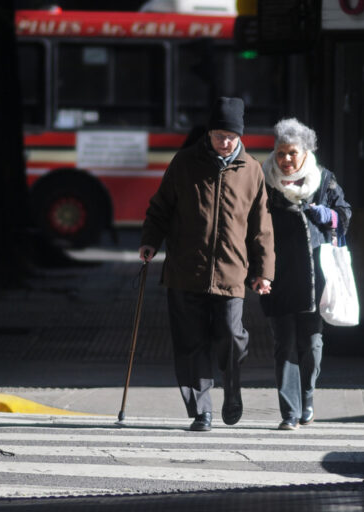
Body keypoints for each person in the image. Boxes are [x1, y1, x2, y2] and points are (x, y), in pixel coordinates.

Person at [139, 97, 275, 432]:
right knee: (190, 343)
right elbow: (161, 207)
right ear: (208, 133)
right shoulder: (185, 162)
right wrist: (150, 240)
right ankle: (202, 411)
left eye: (230, 136)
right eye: (218, 135)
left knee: (231, 334)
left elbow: (261, 226)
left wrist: (263, 271)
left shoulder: (252, 170)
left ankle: (232, 383)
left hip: (232, 272)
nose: (224, 142)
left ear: (240, 135)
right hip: (186, 270)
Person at [259, 118, 351, 430]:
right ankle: (289, 411)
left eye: (292, 153)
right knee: (283, 344)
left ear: (305, 152)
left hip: (314, 277)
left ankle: (307, 396)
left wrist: (329, 216)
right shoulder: (264, 180)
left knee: (311, 344)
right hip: (277, 274)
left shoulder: (323, 179)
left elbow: (344, 213)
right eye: (280, 153)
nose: (285, 159)